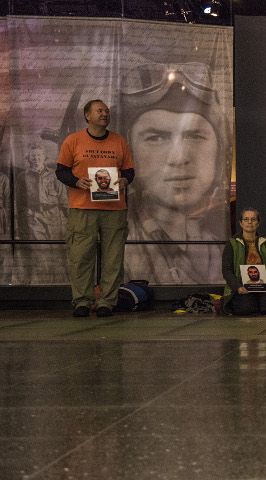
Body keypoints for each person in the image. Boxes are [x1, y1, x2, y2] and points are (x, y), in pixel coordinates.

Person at [121, 62, 231, 284]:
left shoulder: (223, 236)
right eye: (156, 138)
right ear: (131, 151)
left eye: (194, 136)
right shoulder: (122, 239)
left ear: (220, 151)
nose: (179, 158)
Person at [56, 99, 134, 317]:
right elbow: (61, 171)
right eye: (100, 111)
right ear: (87, 116)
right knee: (81, 257)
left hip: (114, 209)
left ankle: (107, 302)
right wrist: (75, 181)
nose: (105, 114)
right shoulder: (73, 141)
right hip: (82, 208)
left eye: (107, 111)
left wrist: (125, 181)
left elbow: (129, 172)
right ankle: (82, 301)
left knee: (113, 258)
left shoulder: (119, 142)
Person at [221, 208, 266, 316]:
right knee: (246, 309)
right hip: (241, 287)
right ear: (241, 223)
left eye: (253, 219)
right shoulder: (232, 243)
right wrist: (237, 287)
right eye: (246, 219)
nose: (250, 222)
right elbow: (226, 270)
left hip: (264, 287)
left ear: (258, 223)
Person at [16, 143, 68, 240]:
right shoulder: (22, 176)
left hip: (53, 218)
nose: (36, 158)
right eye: (33, 155)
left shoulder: (55, 175)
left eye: (39, 155)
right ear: (29, 158)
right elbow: (19, 201)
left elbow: (63, 199)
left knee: (55, 248)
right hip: (33, 218)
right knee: (39, 249)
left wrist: (70, 220)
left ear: (44, 157)